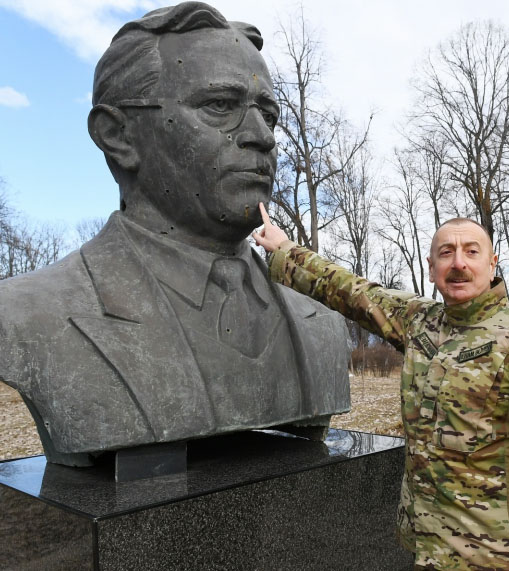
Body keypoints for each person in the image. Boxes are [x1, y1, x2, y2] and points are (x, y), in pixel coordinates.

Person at [0, 2, 350, 467]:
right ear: (118, 135)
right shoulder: (25, 315)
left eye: (268, 114)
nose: (262, 136)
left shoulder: (321, 323)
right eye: (220, 106)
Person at [254, 205, 509, 570]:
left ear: (493, 264)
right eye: (446, 252)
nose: (459, 263)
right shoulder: (420, 322)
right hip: (426, 548)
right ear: (431, 267)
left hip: (494, 557)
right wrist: (285, 249)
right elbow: (351, 291)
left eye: (471, 251)